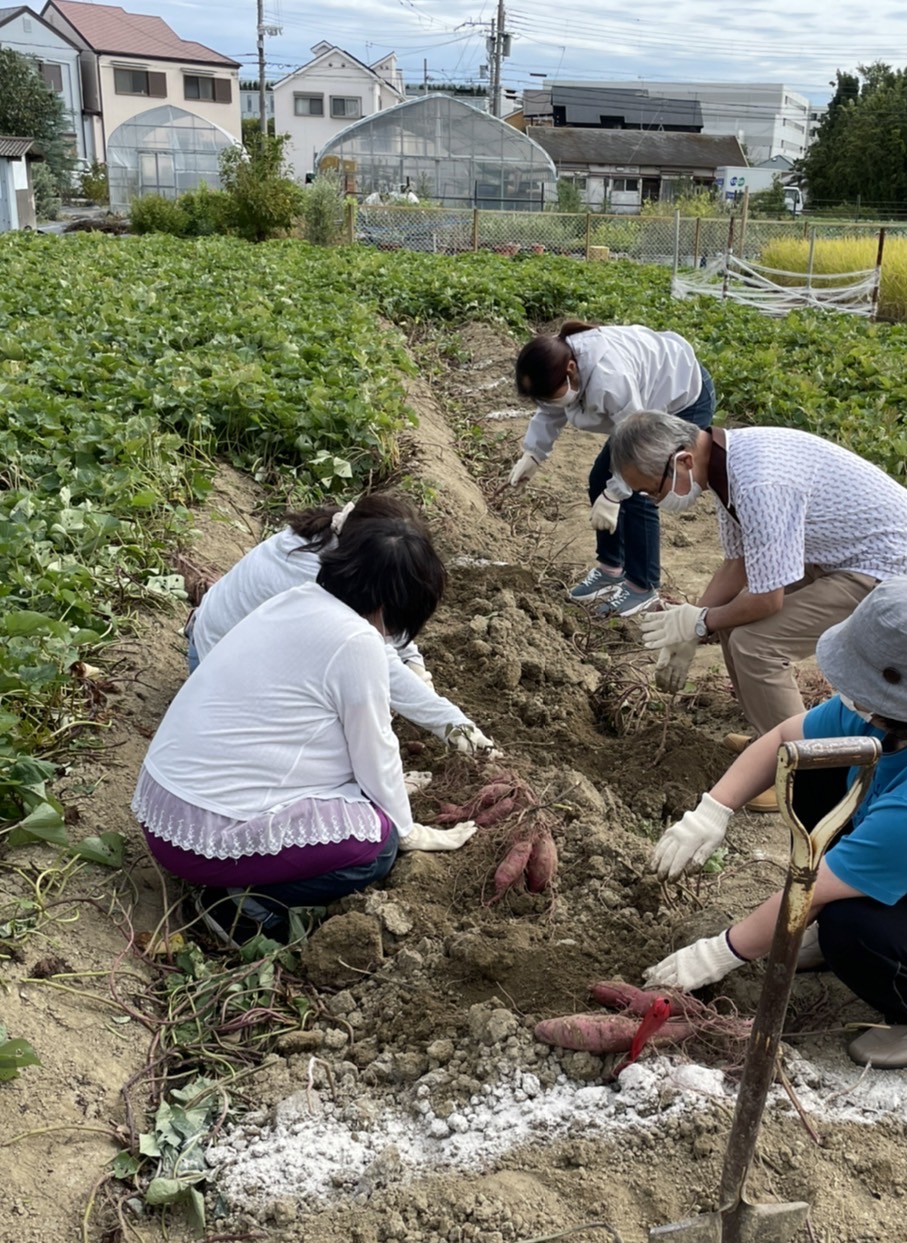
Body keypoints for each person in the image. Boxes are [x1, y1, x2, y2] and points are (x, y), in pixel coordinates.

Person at [640, 580, 907, 1070]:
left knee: (851, 928)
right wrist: (712, 811)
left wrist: (717, 954)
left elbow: (814, 889)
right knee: (808, 769)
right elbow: (786, 737)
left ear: (899, 695)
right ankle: (854, 939)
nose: (843, 694)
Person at [133, 507, 477, 947]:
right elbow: (375, 748)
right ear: (394, 603)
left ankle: (241, 880)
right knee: (377, 846)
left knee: (358, 796)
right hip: (197, 839)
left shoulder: (296, 598)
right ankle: (242, 908)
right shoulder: (357, 642)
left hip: (161, 805)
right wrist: (411, 830)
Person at [609, 411, 907, 809]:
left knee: (756, 642)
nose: (655, 501)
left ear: (682, 461)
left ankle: (803, 772)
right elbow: (739, 564)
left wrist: (700, 621)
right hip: (841, 554)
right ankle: (771, 742)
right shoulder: (724, 467)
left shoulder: (758, 480)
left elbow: (767, 599)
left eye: (652, 491)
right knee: (737, 621)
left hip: (890, 569)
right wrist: (693, 625)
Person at [187, 493, 497, 757]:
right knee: (342, 725)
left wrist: (413, 660)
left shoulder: (344, 546)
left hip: (231, 654)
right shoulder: (311, 583)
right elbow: (375, 658)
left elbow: (383, 614)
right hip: (214, 679)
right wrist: (452, 724)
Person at [509, 321, 717, 618]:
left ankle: (642, 587)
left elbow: (638, 448)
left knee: (640, 492)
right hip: (644, 406)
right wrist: (534, 454)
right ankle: (612, 569)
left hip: (683, 397)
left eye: (551, 393)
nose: (550, 401)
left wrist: (617, 493)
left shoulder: (610, 379)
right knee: (600, 478)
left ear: (571, 369)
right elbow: (550, 409)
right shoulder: (557, 364)